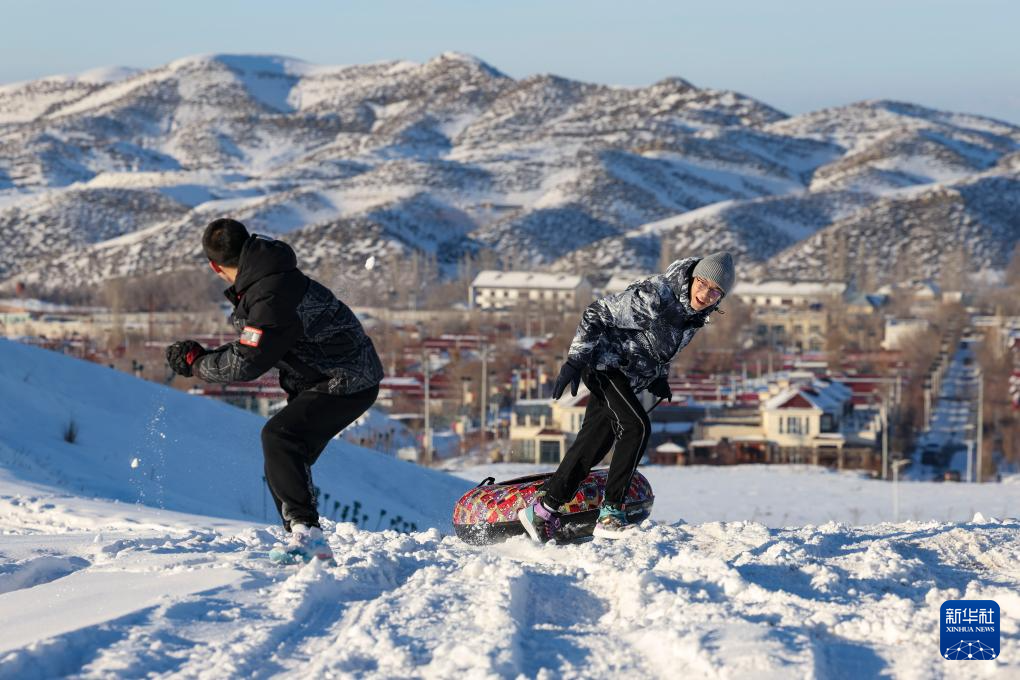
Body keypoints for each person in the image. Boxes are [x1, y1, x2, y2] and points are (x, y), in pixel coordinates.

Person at [166, 218, 384, 563]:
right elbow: (256, 343)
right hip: (328, 379)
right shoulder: (269, 279)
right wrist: (206, 357)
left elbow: (248, 360)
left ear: (213, 265)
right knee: (284, 457)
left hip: (347, 381)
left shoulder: (271, 295)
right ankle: (303, 537)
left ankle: (309, 537)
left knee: (280, 439)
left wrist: (197, 365)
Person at [519, 252, 735, 542]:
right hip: (605, 365)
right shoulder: (657, 296)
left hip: (627, 377)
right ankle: (611, 514)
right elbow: (596, 313)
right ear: (693, 277)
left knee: (593, 445)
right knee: (636, 427)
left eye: (715, 291)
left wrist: (659, 376)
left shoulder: (693, 315)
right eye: (703, 283)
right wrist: (575, 360)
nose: (706, 293)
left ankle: (543, 510)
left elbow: (656, 345)